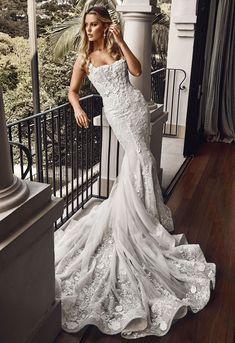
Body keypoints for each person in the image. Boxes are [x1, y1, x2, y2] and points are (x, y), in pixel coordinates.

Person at [54, 5, 216, 339]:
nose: (88, 30)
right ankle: (141, 217)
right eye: (86, 25)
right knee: (139, 160)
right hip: (116, 114)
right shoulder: (83, 59)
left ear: (105, 26)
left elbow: (137, 69)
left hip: (135, 108)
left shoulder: (115, 46)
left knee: (140, 161)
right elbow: (72, 91)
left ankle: (143, 215)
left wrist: (121, 40)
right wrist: (78, 107)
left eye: (94, 24)